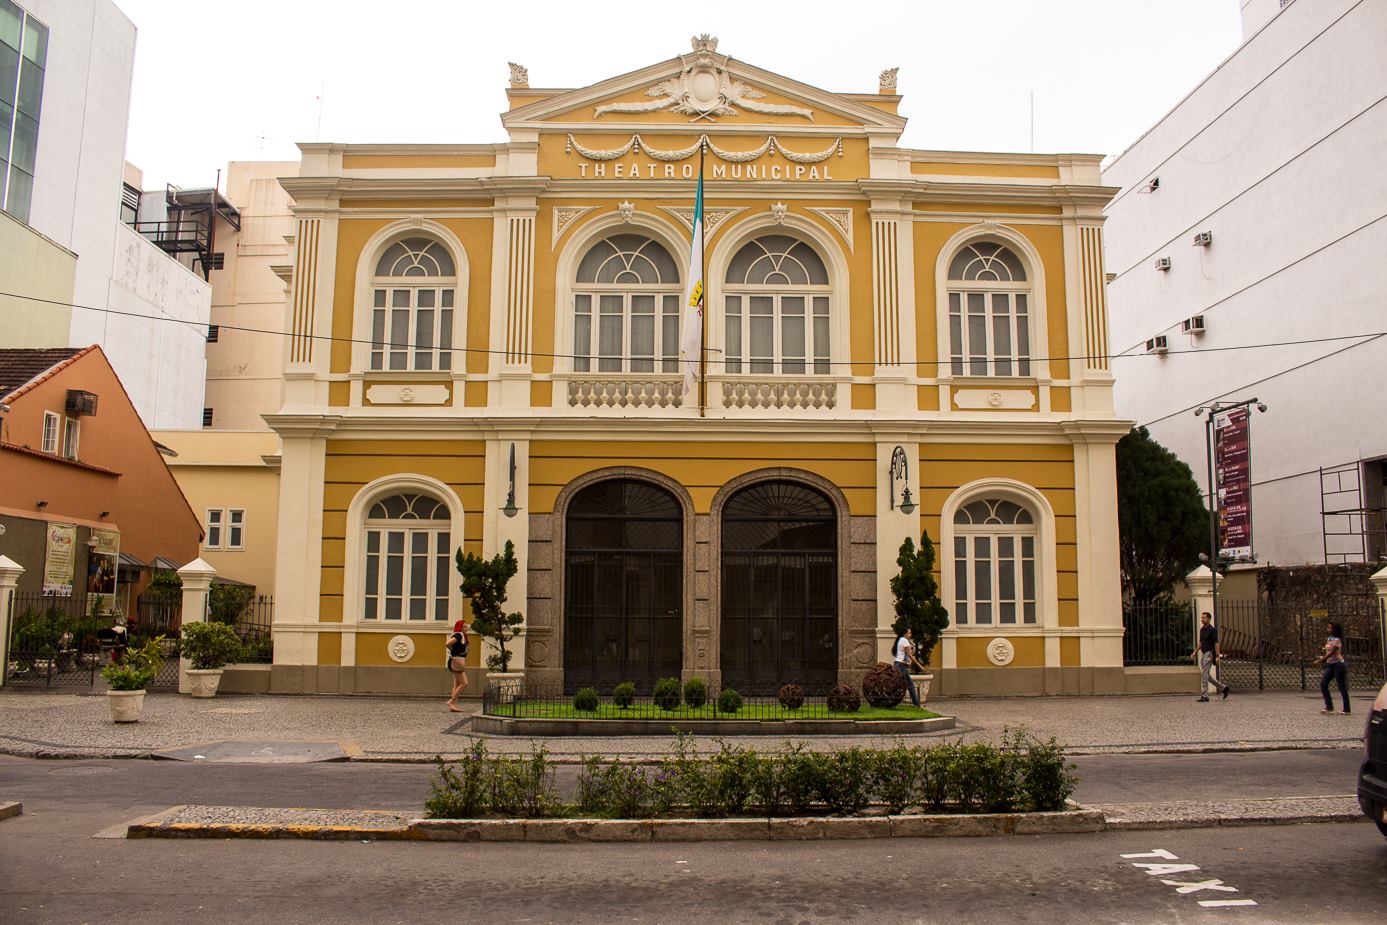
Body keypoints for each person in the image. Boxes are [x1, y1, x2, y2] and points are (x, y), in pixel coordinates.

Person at [1190, 611, 1230, 702]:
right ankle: (1224, 688)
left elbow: (1216, 643)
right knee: (1207, 675)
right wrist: (1195, 652)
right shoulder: (1202, 629)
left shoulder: (1212, 630)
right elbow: (1201, 642)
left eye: (1204, 618)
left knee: (1204, 674)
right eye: (1201, 617)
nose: (1202, 619)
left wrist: (1217, 656)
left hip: (1209, 653)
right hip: (1204, 653)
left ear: (1208, 619)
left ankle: (1204, 696)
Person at [1313, 621, 1349, 715]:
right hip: (1330, 665)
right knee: (1323, 684)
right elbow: (1328, 652)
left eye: (1329, 627)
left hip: (1338, 665)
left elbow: (1332, 652)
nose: (1327, 629)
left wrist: (1321, 660)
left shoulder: (1337, 640)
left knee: (1342, 687)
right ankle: (1329, 707)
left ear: (1334, 629)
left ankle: (1346, 708)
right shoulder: (1329, 638)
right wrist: (1323, 657)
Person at [892, 627, 928, 708]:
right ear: (904, 633)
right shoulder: (904, 640)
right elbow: (909, 655)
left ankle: (916, 704)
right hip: (901, 666)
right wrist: (920, 667)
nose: (910, 634)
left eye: (910, 633)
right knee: (901, 686)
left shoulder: (902, 640)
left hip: (902, 666)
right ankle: (892, 703)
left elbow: (909, 654)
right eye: (909, 633)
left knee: (910, 686)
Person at [445, 619, 469, 712]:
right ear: (460, 627)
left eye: (466, 626)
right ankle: (451, 701)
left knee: (457, 684)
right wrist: (453, 651)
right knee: (464, 683)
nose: (467, 628)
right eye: (465, 626)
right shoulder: (459, 635)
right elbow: (447, 643)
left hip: (455, 661)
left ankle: (453, 705)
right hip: (457, 661)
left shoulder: (461, 635)